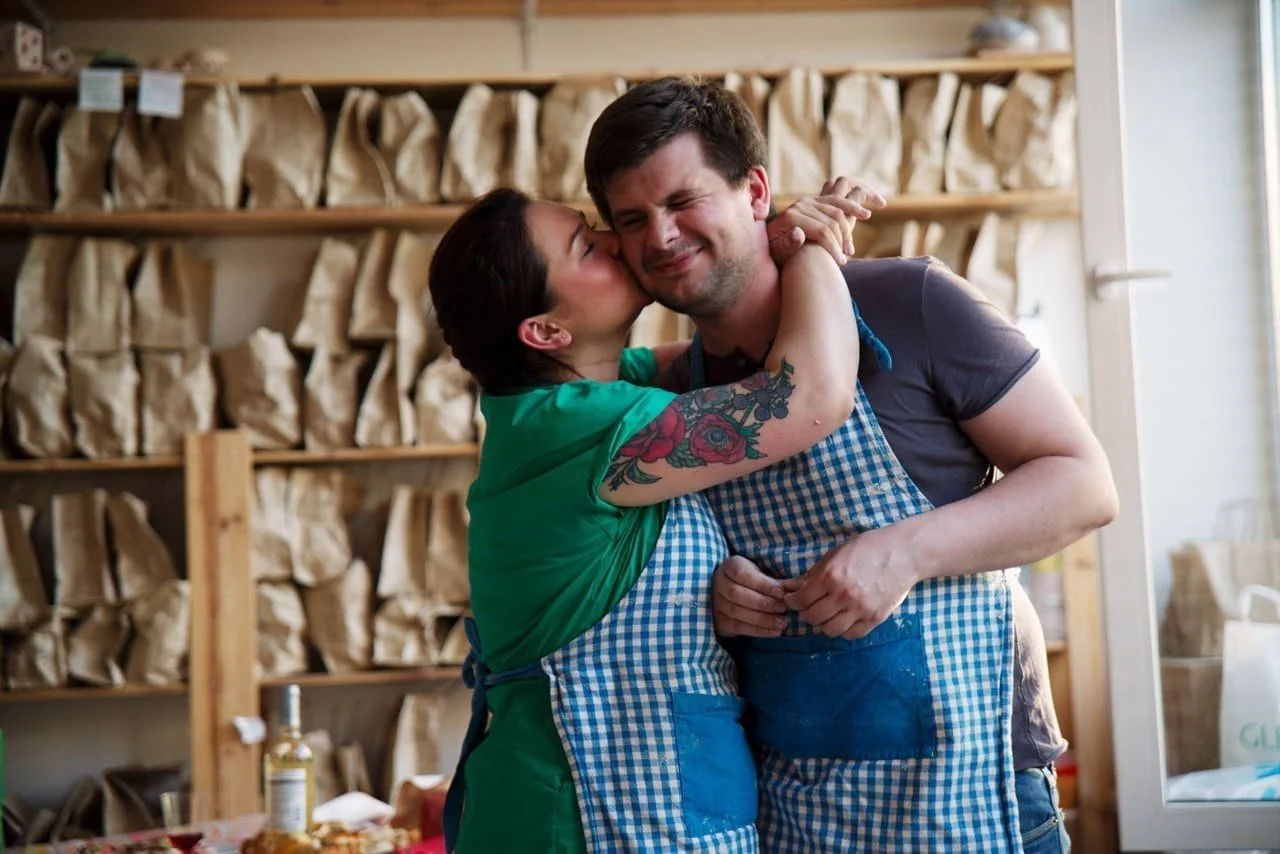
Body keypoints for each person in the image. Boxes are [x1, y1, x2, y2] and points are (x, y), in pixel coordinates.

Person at [584, 77, 1119, 853]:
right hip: (797, 808)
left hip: (977, 792)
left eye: (684, 201)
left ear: (756, 190)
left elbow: (1084, 484)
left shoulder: (913, 303)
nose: (660, 237)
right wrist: (721, 597)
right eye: (631, 220)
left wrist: (902, 551)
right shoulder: (669, 390)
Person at [429, 182, 870, 852]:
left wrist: (758, 247)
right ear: (547, 331)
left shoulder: (590, 393)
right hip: (576, 821)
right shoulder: (574, 428)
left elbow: (731, 354)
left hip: (644, 807)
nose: (616, 241)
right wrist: (809, 247)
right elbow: (807, 394)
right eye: (586, 246)